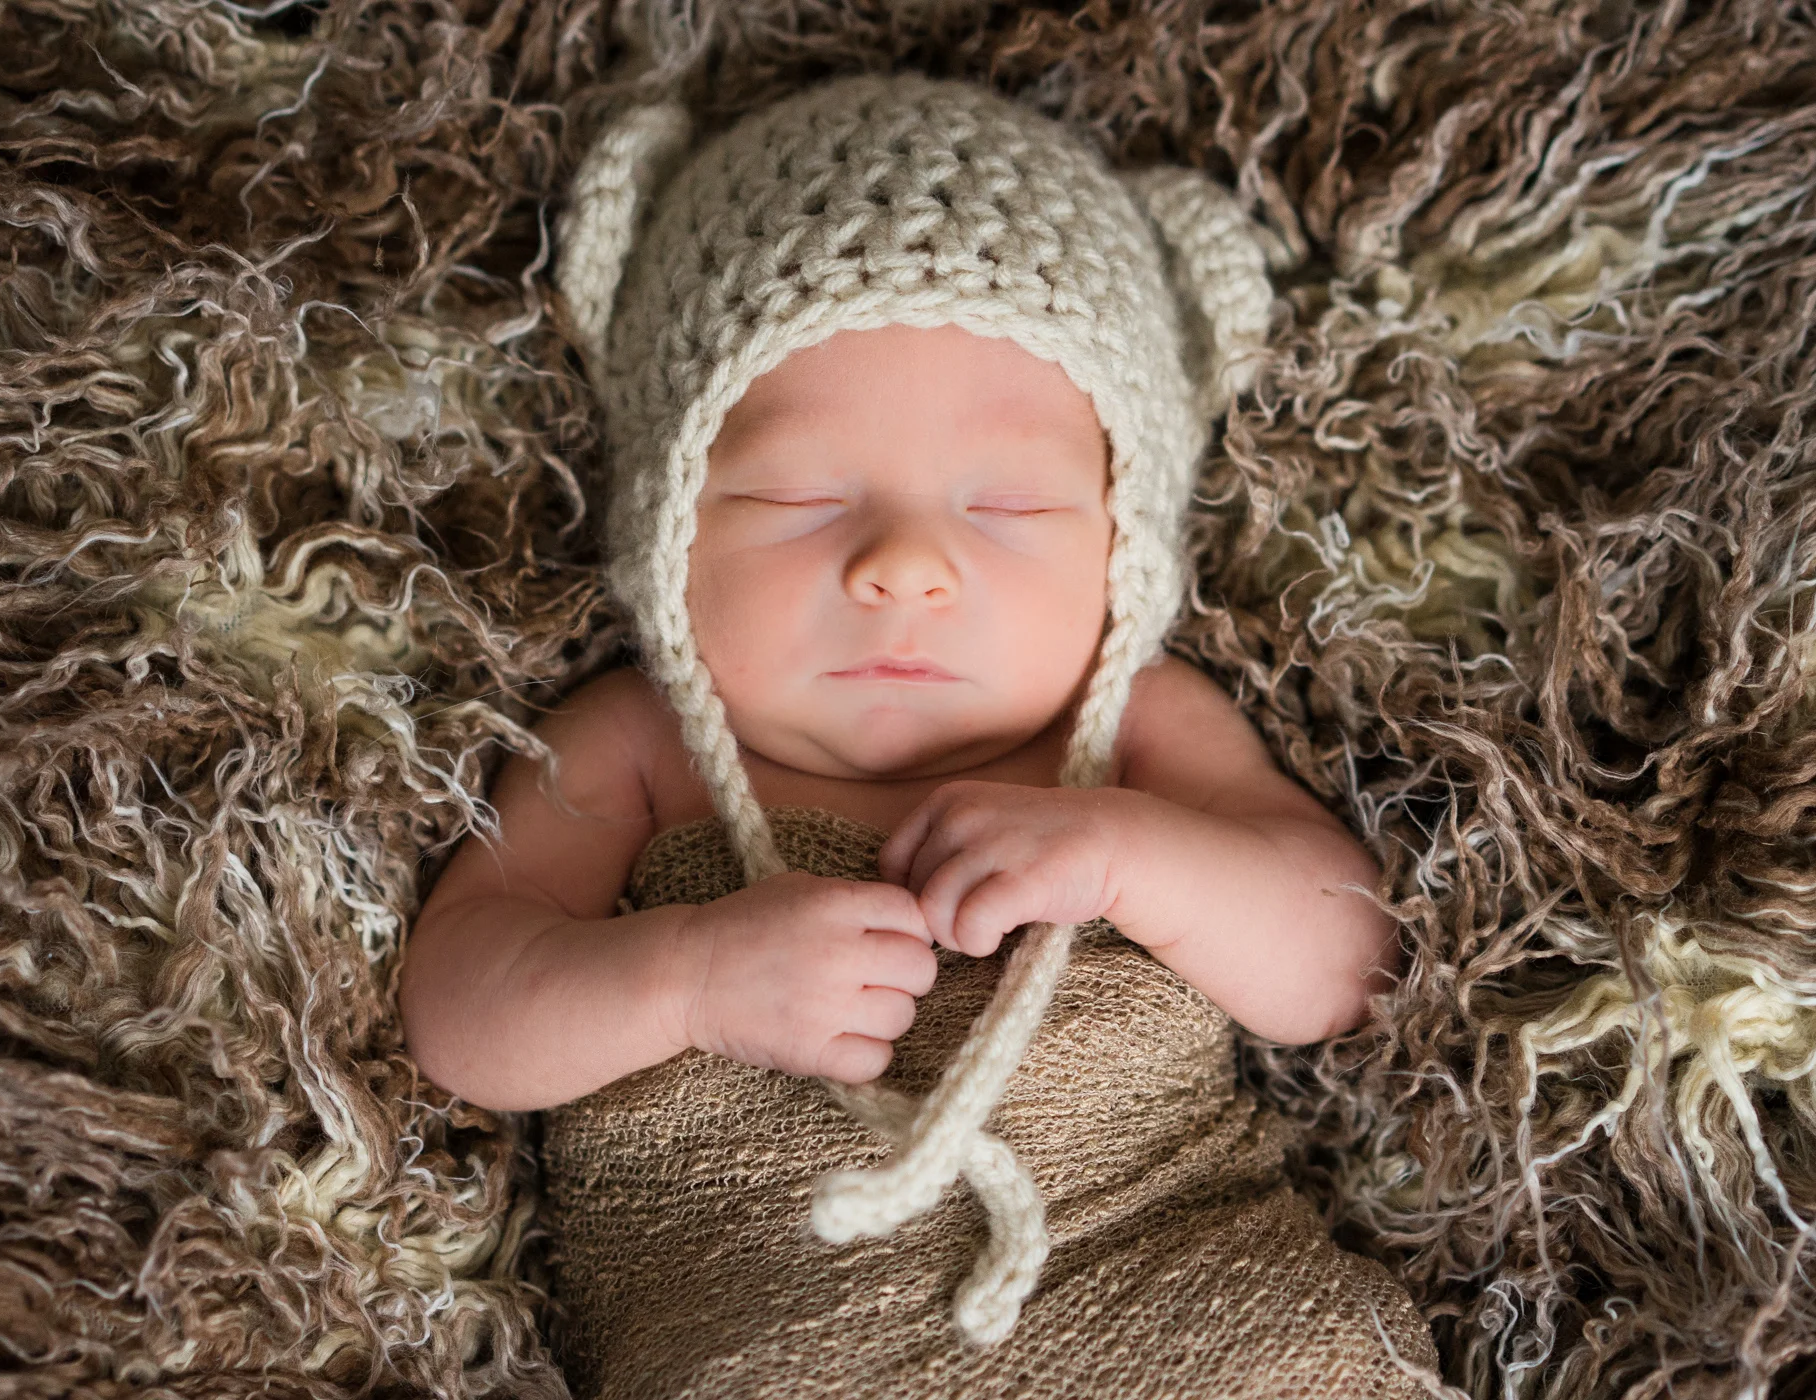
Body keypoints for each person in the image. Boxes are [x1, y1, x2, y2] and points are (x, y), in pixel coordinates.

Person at [400, 70, 1441, 1399]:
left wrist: (1134, 858)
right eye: (797, 495)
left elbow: (1349, 963)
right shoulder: (638, 747)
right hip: (773, 1344)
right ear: (665, 526)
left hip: (1179, 1290)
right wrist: (683, 980)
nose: (903, 565)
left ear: (1126, 542)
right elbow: (461, 1008)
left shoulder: (1136, 729)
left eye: (1008, 507)